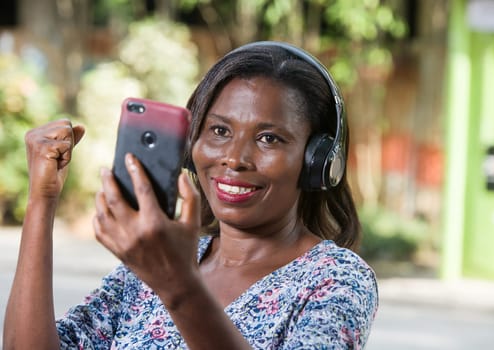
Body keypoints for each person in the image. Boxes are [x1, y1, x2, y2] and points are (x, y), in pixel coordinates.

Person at [3, 41, 378, 349]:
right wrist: (42, 200)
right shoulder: (156, 264)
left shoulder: (336, 279)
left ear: (317, 161)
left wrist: (178, 286)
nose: (234, 158)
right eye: (218, 131)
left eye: (269, 138)